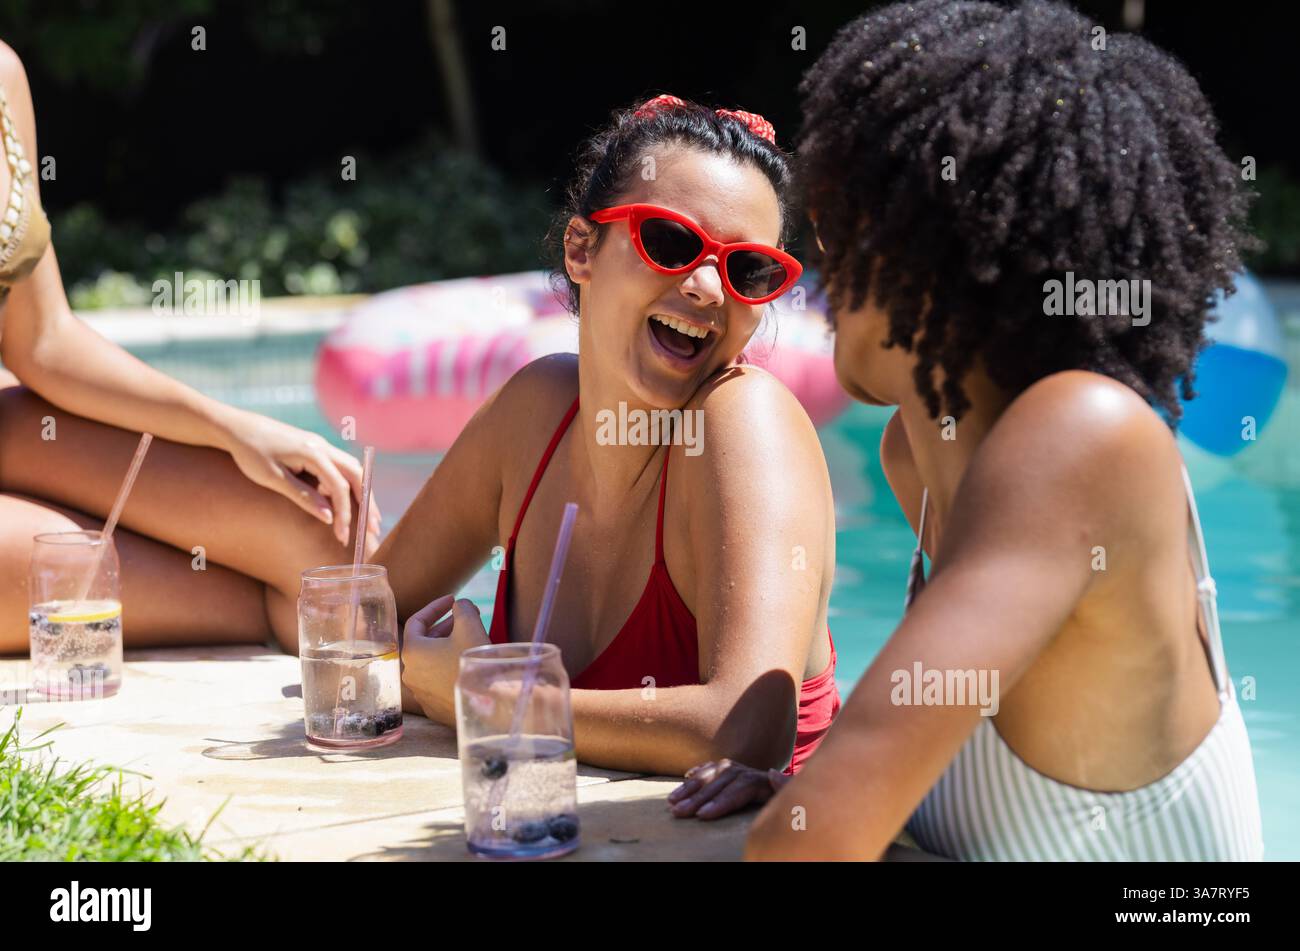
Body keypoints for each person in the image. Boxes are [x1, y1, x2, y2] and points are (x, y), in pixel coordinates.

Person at [674, 0, 1264, 861]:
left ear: (943, 254)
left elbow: (802, 853)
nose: (821, 268)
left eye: (841, 229)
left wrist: (820, 815)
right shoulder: (915, 458)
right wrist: (817, 789)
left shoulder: (1085, 442)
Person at [385, 95, 839, 776]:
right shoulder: (533, 414)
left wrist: (484, 697)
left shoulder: (744, 422)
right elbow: (368, 615)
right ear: (580, 248)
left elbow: (744, 731)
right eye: (671, 241)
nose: (710, 288)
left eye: (747, 270)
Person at [0, 40, 378, 655]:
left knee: (333, 547)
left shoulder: (2, 73)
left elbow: (43, 341)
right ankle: (247, 611)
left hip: (12, 428)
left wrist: (230, 428)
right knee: (79, 577)